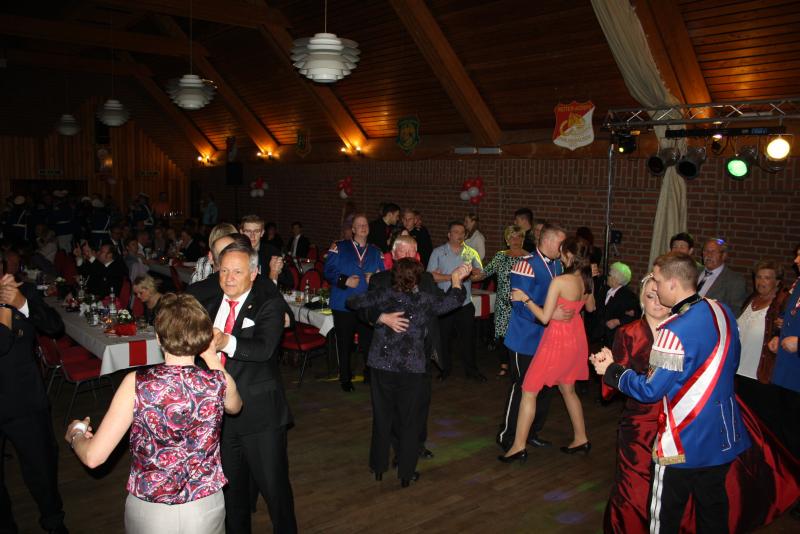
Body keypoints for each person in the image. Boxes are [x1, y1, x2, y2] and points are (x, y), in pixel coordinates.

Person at [601, 274, 800, 533]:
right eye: (650, 296)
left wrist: (614, 372)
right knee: (640, 491)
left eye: (659, 294)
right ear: (642, 300)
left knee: (685, 501)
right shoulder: (630, 333)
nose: (657, 301)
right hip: (641, 426)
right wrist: (609, 369)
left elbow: (656, 387)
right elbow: (616, 388)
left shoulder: (682, 329)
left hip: (684, 427)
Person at [592, 252, 751, 534]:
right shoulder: (721, 310)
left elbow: (650, 390)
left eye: (658, 279)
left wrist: (612, 370)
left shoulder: (673, 331)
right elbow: (732, 362)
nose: (654, 285)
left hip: (683, 439)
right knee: (713, 513)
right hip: (722, 436)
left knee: (664, 519)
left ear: (673, 284)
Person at [65, 293, 241, 534]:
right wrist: (210, 354)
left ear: (158, 338)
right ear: (203, 337)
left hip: (152, 508)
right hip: (205, 506)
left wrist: (76, 433)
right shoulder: (218, 381)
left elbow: (93, 457)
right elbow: (235, 406)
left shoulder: (137, 383)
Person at [195, 242, 297, 533]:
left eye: (237, 272)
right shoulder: (207, 305)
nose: (228, 278)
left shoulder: (269, 303)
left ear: (253, 274)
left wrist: (225, 341)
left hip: (260, 416)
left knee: (275, 492)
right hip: (220, 417)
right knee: (231, 495)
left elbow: (264, 349)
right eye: (224, 271)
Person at [348, 259, 470, 487]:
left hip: (382, 365)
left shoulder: (383, 294)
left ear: (394, 276)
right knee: (409, 421)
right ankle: (406, 473)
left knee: (382, 417)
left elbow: (353, 301)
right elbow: (454, 300)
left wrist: (379, 316)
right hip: (411, 367)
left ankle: (378, 467)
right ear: (417, 280)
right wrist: (456, 280)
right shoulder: (424, 300)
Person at [499, 237, 595, 463]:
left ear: (569, 255)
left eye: (563, 252)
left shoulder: (561, 281)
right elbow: (591, 308)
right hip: (576, 340)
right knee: (568, 390)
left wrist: (526, 299)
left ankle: (518, 446)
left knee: (529, 390)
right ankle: (581, 438)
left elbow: (543, 317)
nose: (560, 255)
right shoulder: (586, 280)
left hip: (557, 341)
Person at [356, 235, 442, 461]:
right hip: (392, 357)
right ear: (393, 255)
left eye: (411, 252)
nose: (407, 256)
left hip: (421, 353)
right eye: (403, 252)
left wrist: (455, 284)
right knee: (396, 408)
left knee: (420, 403)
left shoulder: (427, 279)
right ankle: (401, 451)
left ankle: (417, 445)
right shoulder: (380, 280)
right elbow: (364, 308)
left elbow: (440, 305)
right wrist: (381, 317)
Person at [0, 274, 69, 534]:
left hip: (24, 398)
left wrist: (22, 304)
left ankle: (54, 521)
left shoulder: (23, 291)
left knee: (41, 466)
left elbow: (54, 326)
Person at [497, 224, 572, 451]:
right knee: (523, 387)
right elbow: (519, 306)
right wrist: (548, 316)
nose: (563, 248)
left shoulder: (559, 265)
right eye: (560, 243)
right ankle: (508, 435)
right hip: (524, 338)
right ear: (547, 241)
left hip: (550, 339)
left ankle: (531, 432)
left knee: (546, 388)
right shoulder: (525, 265)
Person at [324, 214, 385, 392]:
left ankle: (369, 373)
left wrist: (375, 278)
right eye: (359, 225)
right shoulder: (340, 247)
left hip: (367, 304)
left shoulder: (376, 251)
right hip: (344, 303)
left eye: (365, 224)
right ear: (353, 229)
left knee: (369, 342)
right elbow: (328, 271)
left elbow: (384, 276)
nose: (363, 227)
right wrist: (344, 280)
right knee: (345, 344)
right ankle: (345, 378)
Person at [427, 220, 485, 382]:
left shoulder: (471, 252)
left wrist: (474, 274)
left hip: (464, 303)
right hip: (444, 304)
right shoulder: (438, 252)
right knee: (444, 338)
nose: (460, 235)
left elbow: (480, 273)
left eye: (462, 233)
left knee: (468, 339)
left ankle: (472, 371)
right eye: (456, 232)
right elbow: (430, 276)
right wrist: (452, 277)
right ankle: (444, 370)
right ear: (449, 234)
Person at [473, 225, 529, 378]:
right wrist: (470, 276)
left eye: (519, 237)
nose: (515, 240)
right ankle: (504, 365)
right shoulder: (500, 256)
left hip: (522, 305)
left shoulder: (529, 258)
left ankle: (519, 365)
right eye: (512, 237)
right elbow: (485, 272)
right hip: (503, 304)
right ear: (507, 240)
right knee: (503, 336)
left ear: (523, 239)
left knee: (520, 335)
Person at [767, 243, 800, 458]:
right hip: (785, 372)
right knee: (782, 434)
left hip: (797, 376)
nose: (795, 261)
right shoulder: (797, 284)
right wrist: (778, 335)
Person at [592, 262, 639, 349]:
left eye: (609, 275)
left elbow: (635, 316)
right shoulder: (605, 289)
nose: (607, 277)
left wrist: (618, 321)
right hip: (598, 336)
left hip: (614, 339)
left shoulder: (628, 296)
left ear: (616, 279)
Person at [239, 215, 293, 289]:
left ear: (262, 233)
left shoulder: (272, 252)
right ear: (241, 232)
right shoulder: (235, 252)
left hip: (265, 293)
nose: (252, 236)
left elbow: (289, 282)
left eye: (256, 231)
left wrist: (278, 271)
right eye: (248, 231)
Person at [698, 237, 747, 312]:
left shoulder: (735, 281)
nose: (709, 255)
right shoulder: (693, 271)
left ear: (724, 255)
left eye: (713, 252)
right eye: (706, 251)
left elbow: (735, 311)